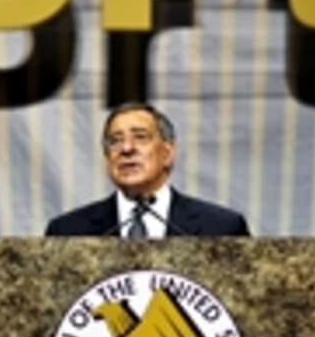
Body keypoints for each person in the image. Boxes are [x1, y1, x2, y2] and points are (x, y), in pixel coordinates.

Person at [45, 102, 250, 237]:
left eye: (140, 137)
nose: (126, 149)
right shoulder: (68, 232)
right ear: (107, 157)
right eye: (115, 141)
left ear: (166, 154)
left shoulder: (222, 228)